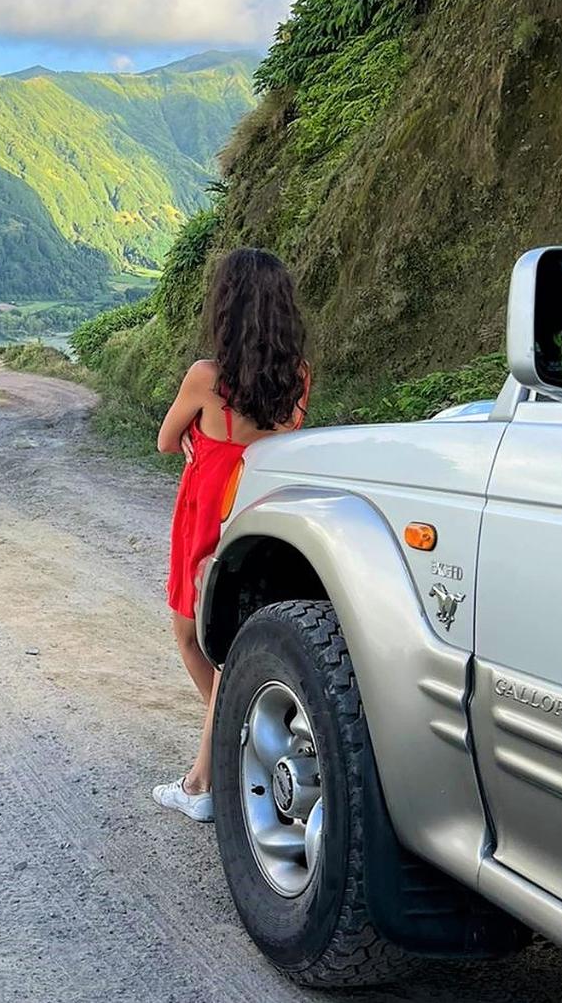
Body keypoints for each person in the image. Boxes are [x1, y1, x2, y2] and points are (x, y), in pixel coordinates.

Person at [152, 248, 310, 822]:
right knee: (231, 641)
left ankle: (205, 779)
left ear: (228, 308)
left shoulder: (206, 378)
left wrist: (199, 438)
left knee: (194, 638)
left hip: (204, 513)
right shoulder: (295, 380)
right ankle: (231, 750)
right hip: (257, 515)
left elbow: (166, 441)